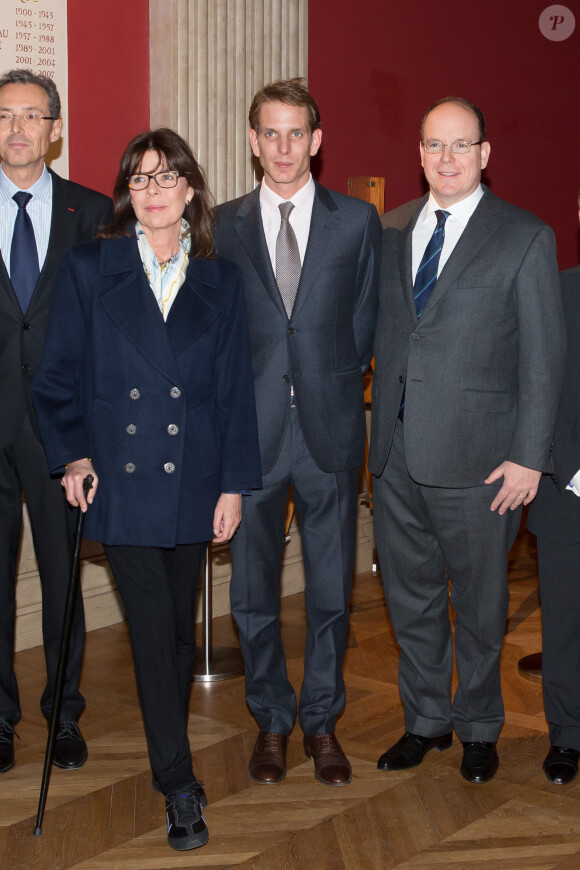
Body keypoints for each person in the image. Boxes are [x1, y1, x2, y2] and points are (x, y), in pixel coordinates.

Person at [32, 128, 261, 851]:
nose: (154, 191)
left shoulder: (222, 281)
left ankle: (175, 769)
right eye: (140, 179)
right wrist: (71, 459)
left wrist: (233, 486)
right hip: (120, 489)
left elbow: (234, 395)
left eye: (167, 178)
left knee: (167, 626)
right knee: (157, 638)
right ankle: (179, 785)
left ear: (191, 190)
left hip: (193, 484)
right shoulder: (90, 268)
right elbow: (55, 378)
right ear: (127, 195)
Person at [369, 96, 565, 784]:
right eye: (434, 145)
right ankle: (426, 721)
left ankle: (480, 725)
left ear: (485, 154)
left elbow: (544, 360)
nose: (446, 158)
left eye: (460, 145)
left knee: (480, 606)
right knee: (410, 599)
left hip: (484, 465)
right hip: (394, 460)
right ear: (419, 153)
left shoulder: (524, 236)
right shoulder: (389, 230)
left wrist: (529, 459)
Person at [214, 79, 381, 787]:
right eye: (269, 133)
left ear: (316, 140)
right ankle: (271, 724)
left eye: (296, 133)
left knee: (330, 593)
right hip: (247, 439)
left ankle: (321, 722)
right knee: (250, 594)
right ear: (253, 142)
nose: (283, 147)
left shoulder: (357, 224)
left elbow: (365, 323)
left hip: (330, 433)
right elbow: (213, 337)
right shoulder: (222, 225)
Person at [0, 69, 112, 775]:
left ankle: (63, 712)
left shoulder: (91, 212)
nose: (15, 128)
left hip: (60, 433)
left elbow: (107, 329)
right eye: (4, 115)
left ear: (55, 129)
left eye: (30, 116)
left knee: (63, 579)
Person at [527, 196, 580, 785]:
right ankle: (567, 735)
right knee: (565, 623)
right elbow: (538, 386)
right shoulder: (558, 293)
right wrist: (571, 469)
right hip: (569, 488)